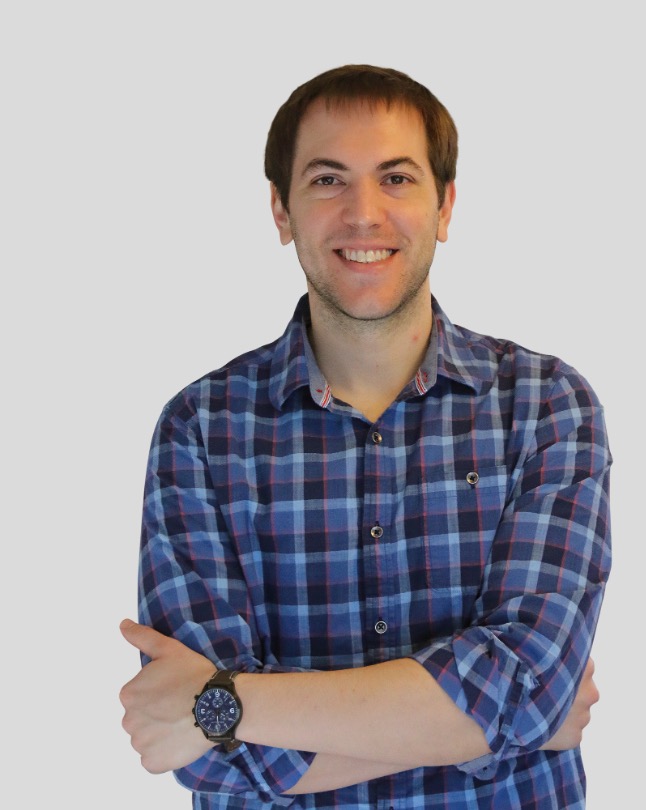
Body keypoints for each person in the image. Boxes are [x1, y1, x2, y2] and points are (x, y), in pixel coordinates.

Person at [120, 64, 611, 809]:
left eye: (397, 179)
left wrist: (219, 706)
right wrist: (496, 724)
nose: (363, 213)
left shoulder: (547, 407)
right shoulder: (200, 430)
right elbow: (209, 765)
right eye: (326, 180)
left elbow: (526, 683)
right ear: (281, 212)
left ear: (445, 207)